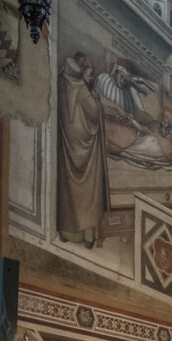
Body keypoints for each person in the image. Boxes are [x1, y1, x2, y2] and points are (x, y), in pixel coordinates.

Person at [57, 52, 109, 249]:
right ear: (80, 71)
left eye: (93, 74)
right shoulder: (82, 91)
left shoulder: (63, 84)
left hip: (69, 148)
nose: (91, 77)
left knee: (69, 191)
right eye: (89, 73)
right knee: (88, 193)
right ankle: (88, 235)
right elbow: (95, 114)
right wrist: (97, 100)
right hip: (86, 150)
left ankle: (67, 231)